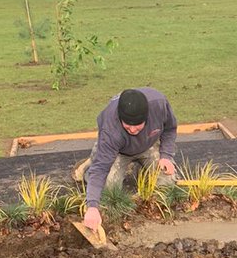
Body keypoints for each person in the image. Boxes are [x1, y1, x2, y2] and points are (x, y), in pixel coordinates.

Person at [74, 88, 178, 237]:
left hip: (149, 145)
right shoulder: (111, 129)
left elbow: (170, 129)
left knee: (167, 181)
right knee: (108, 189)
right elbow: (101, 169)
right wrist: (92, 207)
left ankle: (141, 169)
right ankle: (90, 164)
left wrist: (166, 155)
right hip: (118, 151)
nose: (133, 129)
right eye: (128, 125)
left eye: (137, 125)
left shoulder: (159, 105)